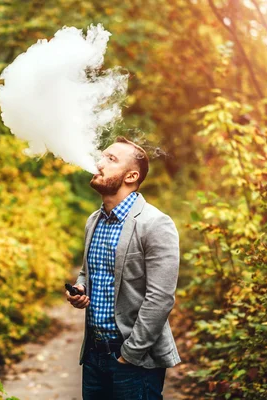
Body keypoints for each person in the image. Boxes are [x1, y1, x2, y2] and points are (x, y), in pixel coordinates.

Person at [66, 137, 180, 400]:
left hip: (134, 361)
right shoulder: (93, 220)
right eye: (102, 156)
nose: (99, 163)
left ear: (131, 176)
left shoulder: (156, 224)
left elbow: (160, 298)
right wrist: (80, 288)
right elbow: (88, 271)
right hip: (94, 356)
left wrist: (129, 354)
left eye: (111, 159)